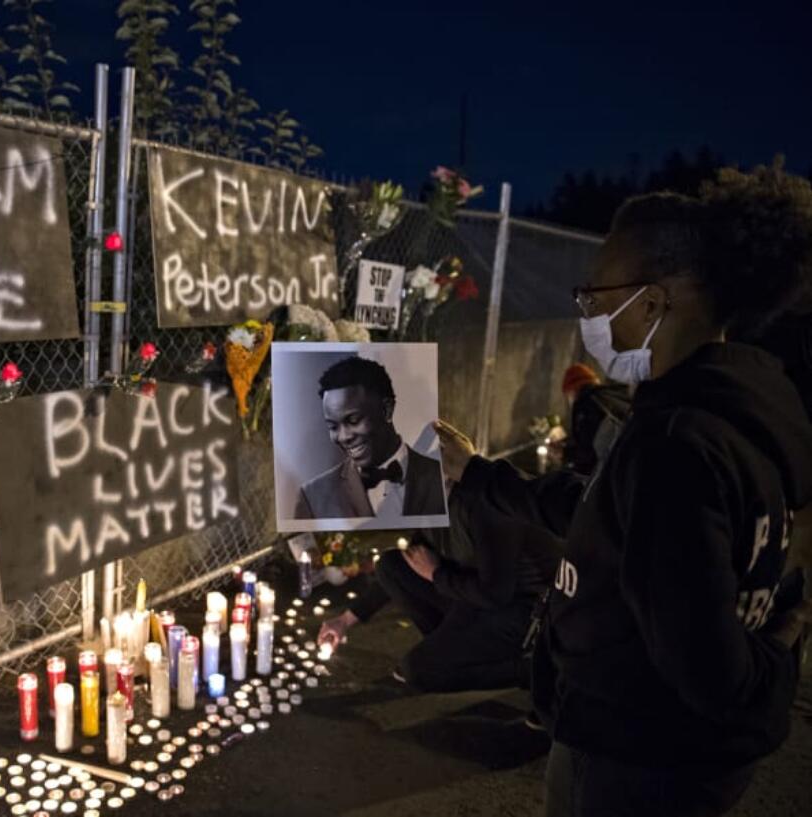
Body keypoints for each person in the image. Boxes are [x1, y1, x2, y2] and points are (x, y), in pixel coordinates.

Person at [435, 165, 812, 817]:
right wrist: (475, 472)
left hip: (638, 760)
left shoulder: (676, 443)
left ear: (653, 302)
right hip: (682, 758)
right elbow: (601, 514)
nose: (587, 310)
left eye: (596, 293)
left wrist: (782, 641)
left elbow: (711, 672)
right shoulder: (738, 408)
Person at [317, 481, 561, 693]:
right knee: (391, 566)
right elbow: (416, 560)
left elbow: (495, 593)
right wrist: (346, 620)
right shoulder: (431, 504)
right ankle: (448, 650)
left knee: (419, 670)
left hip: (519, 610)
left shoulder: (484, 509)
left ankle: (533, 672)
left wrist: (436, 574)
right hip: (470, 594)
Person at [294, 355, 446, 520]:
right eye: (333, 426)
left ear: (387, 410)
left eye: (353, 420)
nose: (344, 437)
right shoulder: (313, 497)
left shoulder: (441, 476)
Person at [560, 363, 630, 476]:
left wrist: (563, 453)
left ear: (572, 389)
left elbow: (587, 450)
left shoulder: (586, 404)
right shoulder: (606, 398)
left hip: (600, 474)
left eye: (568, 395)